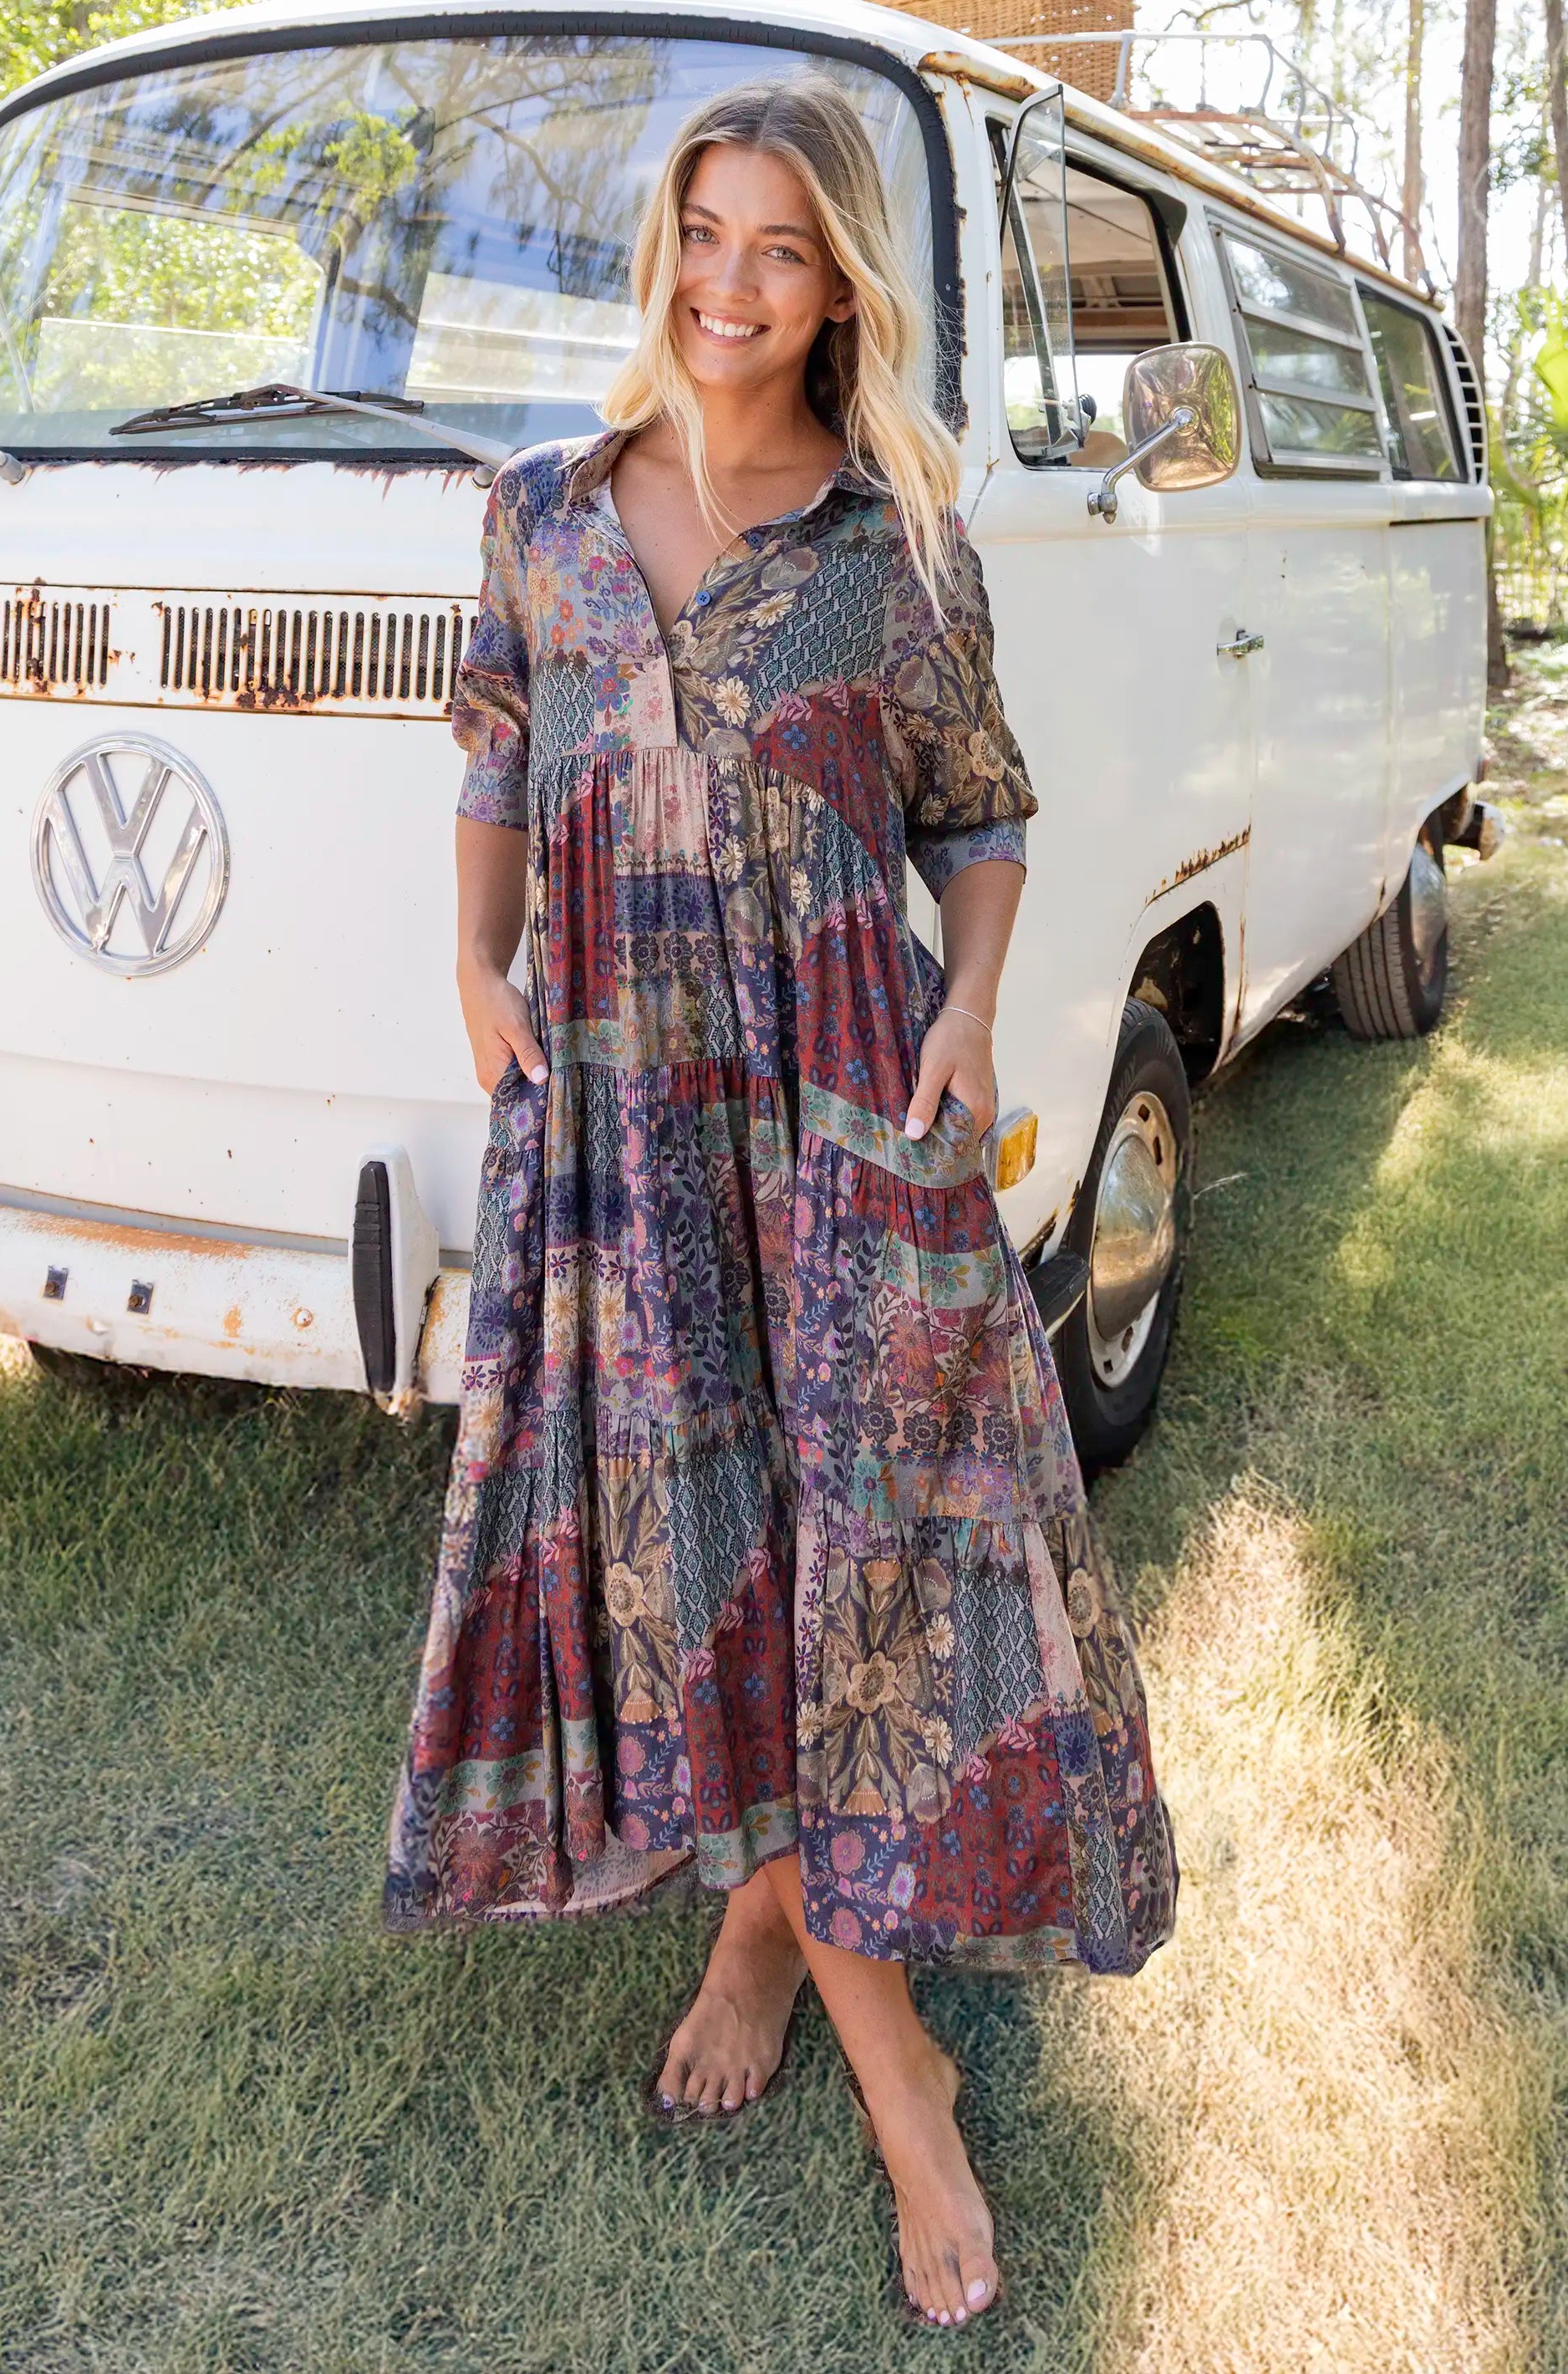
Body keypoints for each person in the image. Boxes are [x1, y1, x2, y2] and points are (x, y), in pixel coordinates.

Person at [384, 73, 1177, 2330]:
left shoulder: (895, 544)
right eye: (706, 236)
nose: (731, 286)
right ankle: (766, 1923)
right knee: (694, 1529)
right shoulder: (539, 516)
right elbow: (493, 751)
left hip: (844, 1101)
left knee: (873, 1544)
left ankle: (886, 2054)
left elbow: (979, 812)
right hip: (621, 1107)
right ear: (668, 251)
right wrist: (475, 965)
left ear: (841, 289)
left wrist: (973, 1006)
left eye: (783, 249)